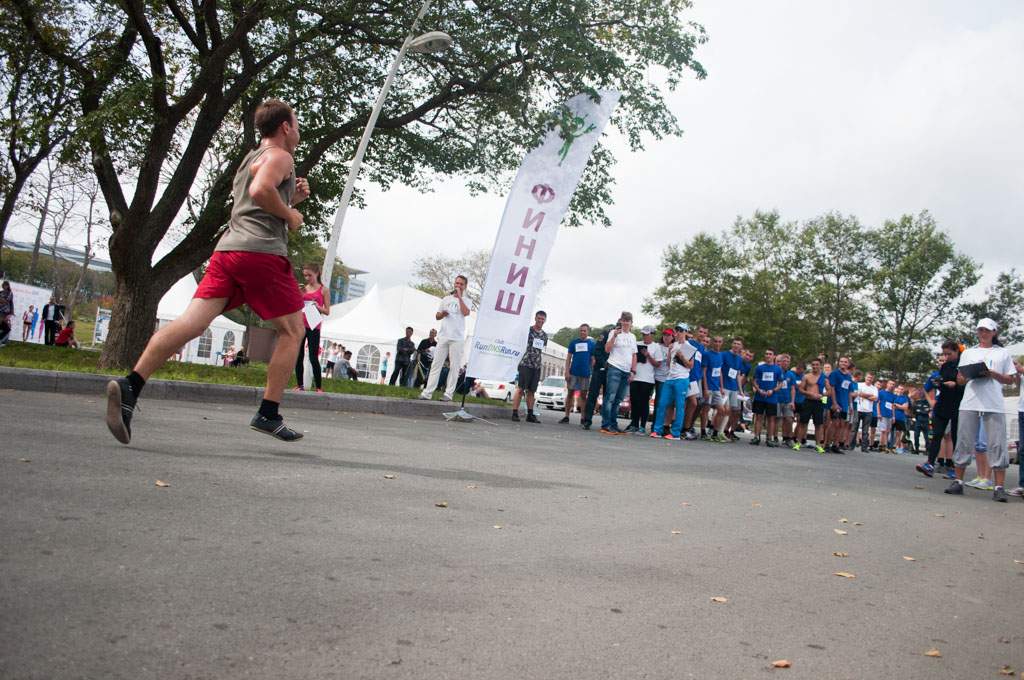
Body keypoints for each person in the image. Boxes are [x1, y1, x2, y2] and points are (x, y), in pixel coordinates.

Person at [105, 99, 310, 443]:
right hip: (259, 254)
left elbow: (254, 200)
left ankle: (131, 386)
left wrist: (291, 202)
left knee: (191, 323)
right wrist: (290, 216)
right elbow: (261, 192)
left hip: (228, 251)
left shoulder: (250, 159)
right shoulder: (280, 155)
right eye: (297, 123)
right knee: (293, 331)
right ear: (285, 127)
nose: (299, 130)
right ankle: (268, 412)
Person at [944, 318, 1016, 502]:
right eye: (980, 330)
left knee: (996, 444)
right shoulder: (969, 353)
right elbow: (960, 379)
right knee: (964, 440)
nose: (983, 334)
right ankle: (958, 481)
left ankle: (998, 486)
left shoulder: (1002, 353)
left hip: (993, 403)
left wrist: (993, 374)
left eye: (987, 330)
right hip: (970, 402)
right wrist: (971, 375)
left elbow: (1010, 379)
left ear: (994, 332)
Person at [419, 276, 470, 402]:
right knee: (436, 364)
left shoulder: (467, 300)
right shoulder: (446, 299)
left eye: (461, 284)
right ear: (454, 284)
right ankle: (427, 392)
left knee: (454, 366)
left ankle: (448, 394)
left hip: (457, 338)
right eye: (457, 283)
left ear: (465, 287)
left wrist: (459, 297)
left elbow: (465, 312)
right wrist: (442, 314)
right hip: (443, 336)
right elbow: (437, 316)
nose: (458, 285)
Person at [916, 341, 964, 477]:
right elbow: (938, 382)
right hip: (943, 403)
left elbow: (967, 385)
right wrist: (939, 384)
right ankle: (930, 463)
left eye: (950, 354)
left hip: (958, 404)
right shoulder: (946, 366)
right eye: (945, 354)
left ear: (957, 351)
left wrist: (955, 385)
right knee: (937, 434)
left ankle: (955, 467)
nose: (947, 357)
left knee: (955, 436)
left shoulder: (963, 365)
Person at [650, 327, 693, 440]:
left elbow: (690, 366)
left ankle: (676, 433)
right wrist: (669, 351)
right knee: (662, 404)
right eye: (677, 331)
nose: (678, 333)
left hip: (681, 378)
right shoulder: (673, 345)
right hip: (670, 378)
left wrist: (682, 356)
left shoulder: (688, 347)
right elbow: (668, 364)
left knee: (679, 405)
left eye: (681, 331)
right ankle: (657, 430)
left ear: (685, 333)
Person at [293, 263, 329, 392]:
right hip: (301, 324)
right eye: (305, 275)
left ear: (317, 274)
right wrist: (298, 294)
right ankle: (300, 384)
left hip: (314, 325)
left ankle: (319, 387)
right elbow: (295, 306)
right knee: (299, 355)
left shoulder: (323, 290)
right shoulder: (304, 289)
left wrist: (318, 306)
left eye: (310, 275)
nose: (307, 278)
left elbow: (327, 311)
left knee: (313, 357)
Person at [600, 312, 638, 435]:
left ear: (631, 323)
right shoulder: (614, 333)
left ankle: (613, 423)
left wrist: (633, 371)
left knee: (618, 399)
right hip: (615, 367)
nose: (626, 323)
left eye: (628, 320)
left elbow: (634, 355)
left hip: (626, 371)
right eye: (624, 320)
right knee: (610, 397)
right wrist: (614, 336)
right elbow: (607, 349)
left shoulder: (632, 337)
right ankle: (606, 424)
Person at [511, 310, 548, 422]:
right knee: (521, 388)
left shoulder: (544, 336)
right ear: (535, 318)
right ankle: (515, 412)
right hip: (525, 363)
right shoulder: (528, 331)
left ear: (545, 320)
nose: (540, 320)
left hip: (536, 365)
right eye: (539, 318)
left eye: (542, 319)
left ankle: (530, 414)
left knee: (532, 391)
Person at [627, 325, 661, 434]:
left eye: (647, 334)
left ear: (652, 335)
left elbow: (657, 364)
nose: (645, 336)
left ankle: (642, 425)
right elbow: (631, 358)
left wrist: (648, 356)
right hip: (636, 376)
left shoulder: (656, 347)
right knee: (634, 401)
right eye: (643, 334)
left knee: (643, 402)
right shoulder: (637, 344)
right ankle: (634, 424)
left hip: (647, 379)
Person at [561, 324, 595, 424]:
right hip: (574, 372)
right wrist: (567, 371)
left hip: (585, 373)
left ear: (588, 332)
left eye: (584, 331)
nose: (582, 332)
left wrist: (593, 374)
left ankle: (583, 418)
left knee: (583, 395)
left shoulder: (592, 344)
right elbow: (568, 358)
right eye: (581, 330)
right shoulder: (574, 343)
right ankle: (566, 416)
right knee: (570, 393)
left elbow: (592, 359)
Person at [749, 348, 783, 447]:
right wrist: (759, 390)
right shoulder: (760, 368)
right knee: (758, 416)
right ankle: (756, 436)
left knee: (771, 418)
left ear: (774, 356)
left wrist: (773, 390)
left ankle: (769, 438)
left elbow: (780, 383)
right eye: (766, 354)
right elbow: (754, 381)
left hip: (772, 397)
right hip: (760, 396)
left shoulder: (778, 369)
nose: (768, 356)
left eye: (770, 354)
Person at [581, 324, 613, 430]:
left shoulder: (623, 337)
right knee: (592, 395)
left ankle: (606, 422)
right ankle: (587, 420)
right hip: (600, 368)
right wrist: (604, 363)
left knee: (607, 398)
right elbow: (597, 351)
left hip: (612, 370)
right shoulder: (606, 334)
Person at [794, 358, 828, 453]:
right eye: (813, 364)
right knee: (803, 422)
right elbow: (800, 389)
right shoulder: (807, 377)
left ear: (820, 366)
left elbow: (829, 391)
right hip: (808, 401)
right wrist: (809, 393)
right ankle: (798, 442)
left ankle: (818, 444)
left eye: (817, 364)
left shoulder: (824, 378)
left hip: (818, 402)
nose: (815, 366)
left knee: (818, 424)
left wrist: (822, 395)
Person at [703, 334, 728, 442]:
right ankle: (703, 431)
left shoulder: (720, 356)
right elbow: (703, 371)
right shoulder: (708, 354)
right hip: (708, 385)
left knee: (722, 410)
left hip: (716, 386)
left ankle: (715, 432)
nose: (717, 344)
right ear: (712, 342)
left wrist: (721, 387)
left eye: (719, 342)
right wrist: (705, 387)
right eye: (716, 341)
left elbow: (720, 372)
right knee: (706, 408)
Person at [719, 337, 745, 441]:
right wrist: (721, 386)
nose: (736, 346)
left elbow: (738, 375)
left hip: (734, 387)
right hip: (725, 385)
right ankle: (715, 430)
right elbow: (720, 370)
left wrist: (741, 391)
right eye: (735, 343)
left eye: (739, 344)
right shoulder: (724, 355)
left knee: (729, 411)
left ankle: (722, 431)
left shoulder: (739, 359)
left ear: (741, 346)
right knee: (722, 409)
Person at [1009, 361, 1024, 497]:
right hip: (1022, 409)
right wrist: (1018, 375)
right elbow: (1019, 386)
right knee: (1023, 449)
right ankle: (1022, 486)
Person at [852, 373, 878, 453]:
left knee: (865, 430)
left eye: (871, 378)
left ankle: (864, 447)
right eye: (868, 377)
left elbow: (875, 398)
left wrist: (864, 395)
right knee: (854, 429)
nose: (869, 379)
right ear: (865, 377)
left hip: (868, 411)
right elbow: (858, 394)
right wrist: (869, 395)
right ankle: (850, 445)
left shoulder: (874, 388)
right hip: (858, 409)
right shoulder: (860, 385)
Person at [911, 387, 931, 454]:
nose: (922, 398)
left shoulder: (928, 403)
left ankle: (927, 449)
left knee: (926, 436)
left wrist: (920, 411)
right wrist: (922, 411)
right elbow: (914, 411)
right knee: (916, 435)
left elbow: (927, 412)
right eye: (921, 396)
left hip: (925, 421)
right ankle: (916, 448)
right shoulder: (917, 402)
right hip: (918, 421)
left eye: (923, 397)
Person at [0, 281, 12, 346]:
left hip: (4, 311)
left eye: (4, 285)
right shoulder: (1, 292)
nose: (3, 286)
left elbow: (6, 300)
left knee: (5, 327)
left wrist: (2, 300)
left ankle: (2, 340)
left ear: (7, 286)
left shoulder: (9, 293)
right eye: (2, 285)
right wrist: (3, 300)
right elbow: (3, 300)